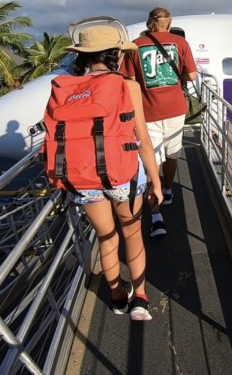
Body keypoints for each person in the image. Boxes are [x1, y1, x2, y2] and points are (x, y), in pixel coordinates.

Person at [63, 25, 164, 321]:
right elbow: (143, 140)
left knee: (107, 238)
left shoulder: (68, 87)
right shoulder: (128, 86)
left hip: (83, 177)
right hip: (123, 174)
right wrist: (155, 181)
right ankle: (140, 299)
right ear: (117, 55)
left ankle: (118, 296)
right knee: (132, 235)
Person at [120, 7, 197, 238]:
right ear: (169, 23)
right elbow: (192, 75)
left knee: (151, 162)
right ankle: (169, 189)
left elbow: (129, 82)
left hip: (147, 112)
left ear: (149, 22)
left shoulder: (135, 46)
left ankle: (156, 217)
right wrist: (176, 77)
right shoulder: (180, 43)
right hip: (175, 110)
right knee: (173, 154)